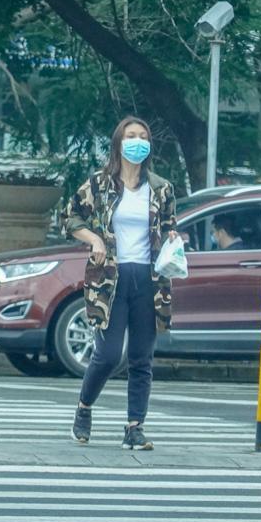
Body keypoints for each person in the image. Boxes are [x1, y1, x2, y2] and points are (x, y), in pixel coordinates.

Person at [62, 116, 178, 450]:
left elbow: (169, 226)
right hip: (110, 279)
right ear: (119, 142)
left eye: (143, 136)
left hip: (149, 279)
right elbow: (69, 217)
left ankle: (134, 427)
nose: (137, 141)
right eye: (131, 136)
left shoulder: (161, 188)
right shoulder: (99, 184)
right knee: (109, 354)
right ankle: (84, 407)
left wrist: (173, 238)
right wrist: (94, 239)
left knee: (142, 357)